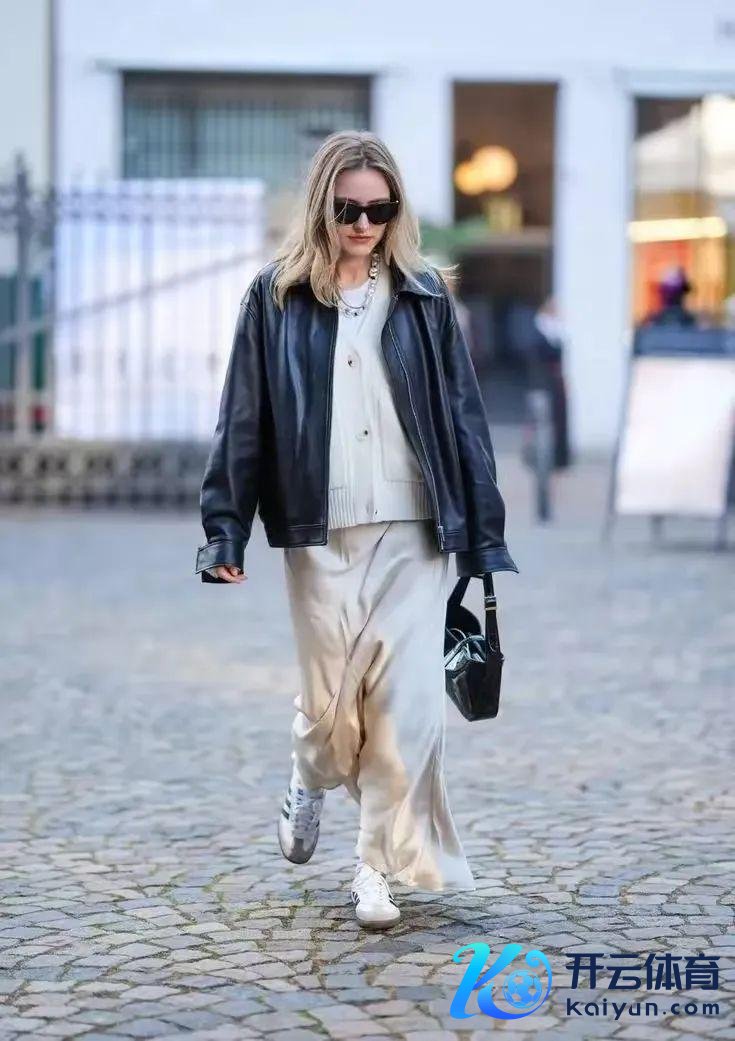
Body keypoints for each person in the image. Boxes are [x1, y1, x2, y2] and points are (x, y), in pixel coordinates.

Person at [194, 130, 517, 929]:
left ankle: (374, 867)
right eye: (348, 210)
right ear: (321, 209)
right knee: (330, 708)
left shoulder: (424, 296)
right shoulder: (275, 297)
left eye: (380, 209)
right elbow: (243, 418)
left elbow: (463, 418)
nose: (364, 224)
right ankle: (308, 774)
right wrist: (224, 529)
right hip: (320, 530)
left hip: (415, 529)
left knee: (405, 707)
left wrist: (481, 532)